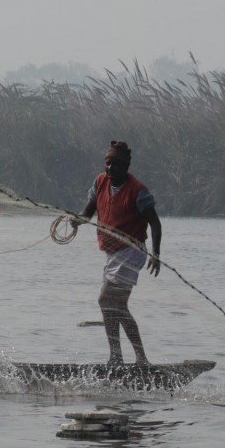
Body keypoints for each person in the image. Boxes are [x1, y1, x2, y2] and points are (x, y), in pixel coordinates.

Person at [72, 140, 161, 365]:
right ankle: (116, 357)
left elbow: (155, 223)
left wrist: (156, 254)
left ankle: (141, 359)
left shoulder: (138, 191)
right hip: (113, 254)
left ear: (126, 167)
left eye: (117, 165)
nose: (111, 169)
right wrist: (77, 220)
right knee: (108, 304)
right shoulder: (100, 182)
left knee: (111, 302)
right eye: (108, 164)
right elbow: (88, 211)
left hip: (132, 251)